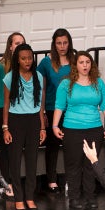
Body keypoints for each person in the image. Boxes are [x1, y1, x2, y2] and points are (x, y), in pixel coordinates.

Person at [52, 51, 105, 210]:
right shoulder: (66, 84)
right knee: (73, 165)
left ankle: (90, 197)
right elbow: (59, 106)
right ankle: (74, 198)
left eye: (88, 62)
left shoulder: (98, 83)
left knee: (91, 164)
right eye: (81, 62)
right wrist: (54, 125)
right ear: (75, 65)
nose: (85, 65)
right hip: (72, 129)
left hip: (94, 128)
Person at [2, 44, 46, 210]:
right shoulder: (9, 77)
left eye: (29, 57)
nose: (27, 61)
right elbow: (6, 104)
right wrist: (5, 128)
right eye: (23, 58)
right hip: (15, 120)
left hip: (34, 120)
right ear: (17, 60)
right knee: (15, 161)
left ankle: (29, 197)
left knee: (32, 161)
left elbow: (40, 105)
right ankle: (18, 198)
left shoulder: (39, 76)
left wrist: (42, 127)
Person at [37, 28, 76, 193]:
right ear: (54, 44)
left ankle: (72, 179)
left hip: (73, 109)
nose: (62, 46)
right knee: (52, 146)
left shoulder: (75, 60)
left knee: (72, 146)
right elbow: (42, 89)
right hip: (53, 109)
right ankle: (51, 180)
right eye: (59, 43)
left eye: (65, 42)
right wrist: (42, 112)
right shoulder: (46, 62)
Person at [0, 32, 25, 197]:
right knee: (5, 148)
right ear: (10, 46)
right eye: (16, 43)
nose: (19, 45)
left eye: (22, 43)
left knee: (16, 148)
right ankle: (6, 183)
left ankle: (15, 181)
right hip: (2, 111)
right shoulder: (0, 66)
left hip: (18, 112)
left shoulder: (25, 65)